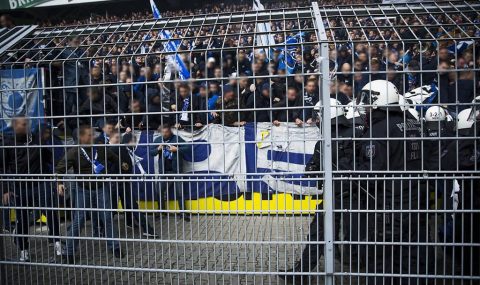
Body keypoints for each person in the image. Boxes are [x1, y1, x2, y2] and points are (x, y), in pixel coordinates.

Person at [346, 80, 429, 284]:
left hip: (389, 200)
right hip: (415, 195)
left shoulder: (379, 130)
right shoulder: (411, 121)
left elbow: (373, 171)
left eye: (367, 99)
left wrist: (350, 172)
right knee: (412, 250)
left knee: (381, 253)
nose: (363, 105)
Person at [279, 99, 364, 282]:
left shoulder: (355, 134)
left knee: (359, 238)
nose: (316, 120)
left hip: (355, 196)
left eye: (318, 116)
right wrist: (312, 169)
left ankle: (365, 275)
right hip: (333, 195)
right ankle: (301, 273)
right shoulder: (324, 138)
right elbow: (315, 162)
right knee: (318, 233)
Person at [55, 125, 123, 264]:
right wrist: (59, 182)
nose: (92, 136)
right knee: (78, 220)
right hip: (82, 189)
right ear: (81, 137)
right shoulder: (74, 151)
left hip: (101, 187)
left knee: (108, 217)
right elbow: (60, 168)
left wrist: (123, 166)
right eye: (89, 135)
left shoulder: (100, 147)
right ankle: (69, 252)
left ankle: (115, 247)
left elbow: (115, 158)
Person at [1, 117, 63, 262]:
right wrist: (5, 189)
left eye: (27, 123)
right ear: (15, 126)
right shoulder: (8, 144)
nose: (27, 126)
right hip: (19, 187)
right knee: (21, 219)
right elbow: (2, 168)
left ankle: (57, 244)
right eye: (23, 124)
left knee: (51, 213)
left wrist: (57, 178)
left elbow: (49, 159)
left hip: (40, 184)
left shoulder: (36, 140)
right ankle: (24, 251)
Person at [109, 132, 156, 237]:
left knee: (126, 206)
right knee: (114, 208)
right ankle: (102, 229)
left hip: (121, 182)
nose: (136, 144)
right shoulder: (118, 149)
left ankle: (134, 224)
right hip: (117, 183)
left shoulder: (125, 150)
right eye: (134, 141)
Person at [149, 124, 191, 222]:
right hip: (163, 171)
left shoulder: (177, 138)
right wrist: (158, 149)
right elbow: (151, 152)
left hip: (176, 170)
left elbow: (188, 148)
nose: (164, 134)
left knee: (180, 193)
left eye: (166, 132)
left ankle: (183, 214)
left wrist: (177, 149)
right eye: (163, 132)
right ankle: (161, 212)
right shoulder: (158, 140)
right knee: (159, 191)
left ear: (170, 131)